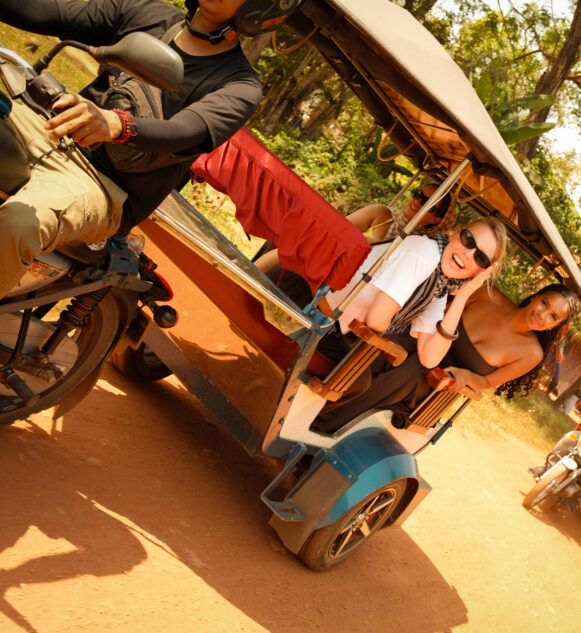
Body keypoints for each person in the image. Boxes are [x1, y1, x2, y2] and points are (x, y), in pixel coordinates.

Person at [0, 0, 290, 296]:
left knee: (22, 222)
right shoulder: (149, 14)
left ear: (260, 7)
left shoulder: (240, 86)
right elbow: (52, 13)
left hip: (105, 188)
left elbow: (183, 131)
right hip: (53, 131)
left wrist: (117, 125)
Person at [310, 218, 508, 432]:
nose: (468, 254)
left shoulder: (439, 284)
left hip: (337, 330)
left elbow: (429, 357)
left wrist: (461, 299)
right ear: (455, 233)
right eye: (468, 240)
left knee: (365, 379)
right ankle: (307, 430)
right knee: (358, 381)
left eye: (480, 257)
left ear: (480, 272)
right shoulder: (424, 252)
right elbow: (376, 320)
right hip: (317, 316)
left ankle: (310, 431)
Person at [345, 182, 456, 242]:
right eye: (418, 194)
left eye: (427, 203)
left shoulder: (419, 247)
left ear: (435, 220)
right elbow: (338, 229)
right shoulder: (380, 213)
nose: (417, 201)